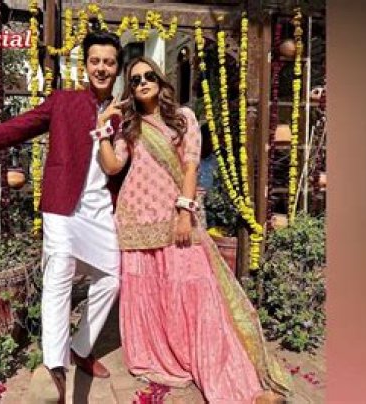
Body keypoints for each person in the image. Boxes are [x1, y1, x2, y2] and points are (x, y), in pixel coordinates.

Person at [0, 31, 129, 404]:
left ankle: (79, 347)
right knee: (58, 276)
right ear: (86, 65)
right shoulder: (64, 101)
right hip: (62, 205)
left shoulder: (123, 114)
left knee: (111, 279)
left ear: (117, 68)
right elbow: (16, 127)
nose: (102, 68)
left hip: (99, 209)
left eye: (109, 62)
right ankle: (55, 369)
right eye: (95, 61)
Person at [95, 57, 292, 403]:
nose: (143, 82)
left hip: (174, 217)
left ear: (160, 80)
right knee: (149, 293)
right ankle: (156, 352)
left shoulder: (183, 118)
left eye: (149, 76)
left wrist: (184, 211)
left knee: (197, 295)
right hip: (134, 221)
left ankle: (241, 386)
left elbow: (190, 167)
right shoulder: (131, 127)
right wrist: (102, 129)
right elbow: (113, 166)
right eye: (135, 79)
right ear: (131, 88)